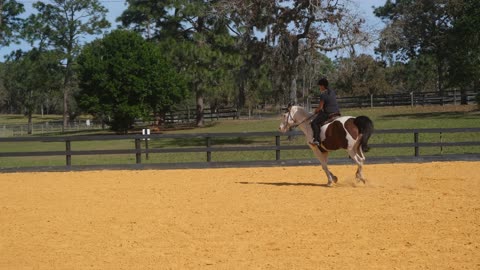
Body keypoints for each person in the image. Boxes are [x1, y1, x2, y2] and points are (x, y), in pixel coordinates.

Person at [310, 78, 341, 146]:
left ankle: (316, 139)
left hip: (329, 114)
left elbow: (320, 107)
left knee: (314, 123)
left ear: (323, 86)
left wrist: (315, 110)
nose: (319, 88)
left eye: (320, 86)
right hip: (337, 112)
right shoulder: (332, 92)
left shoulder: (323, 95)